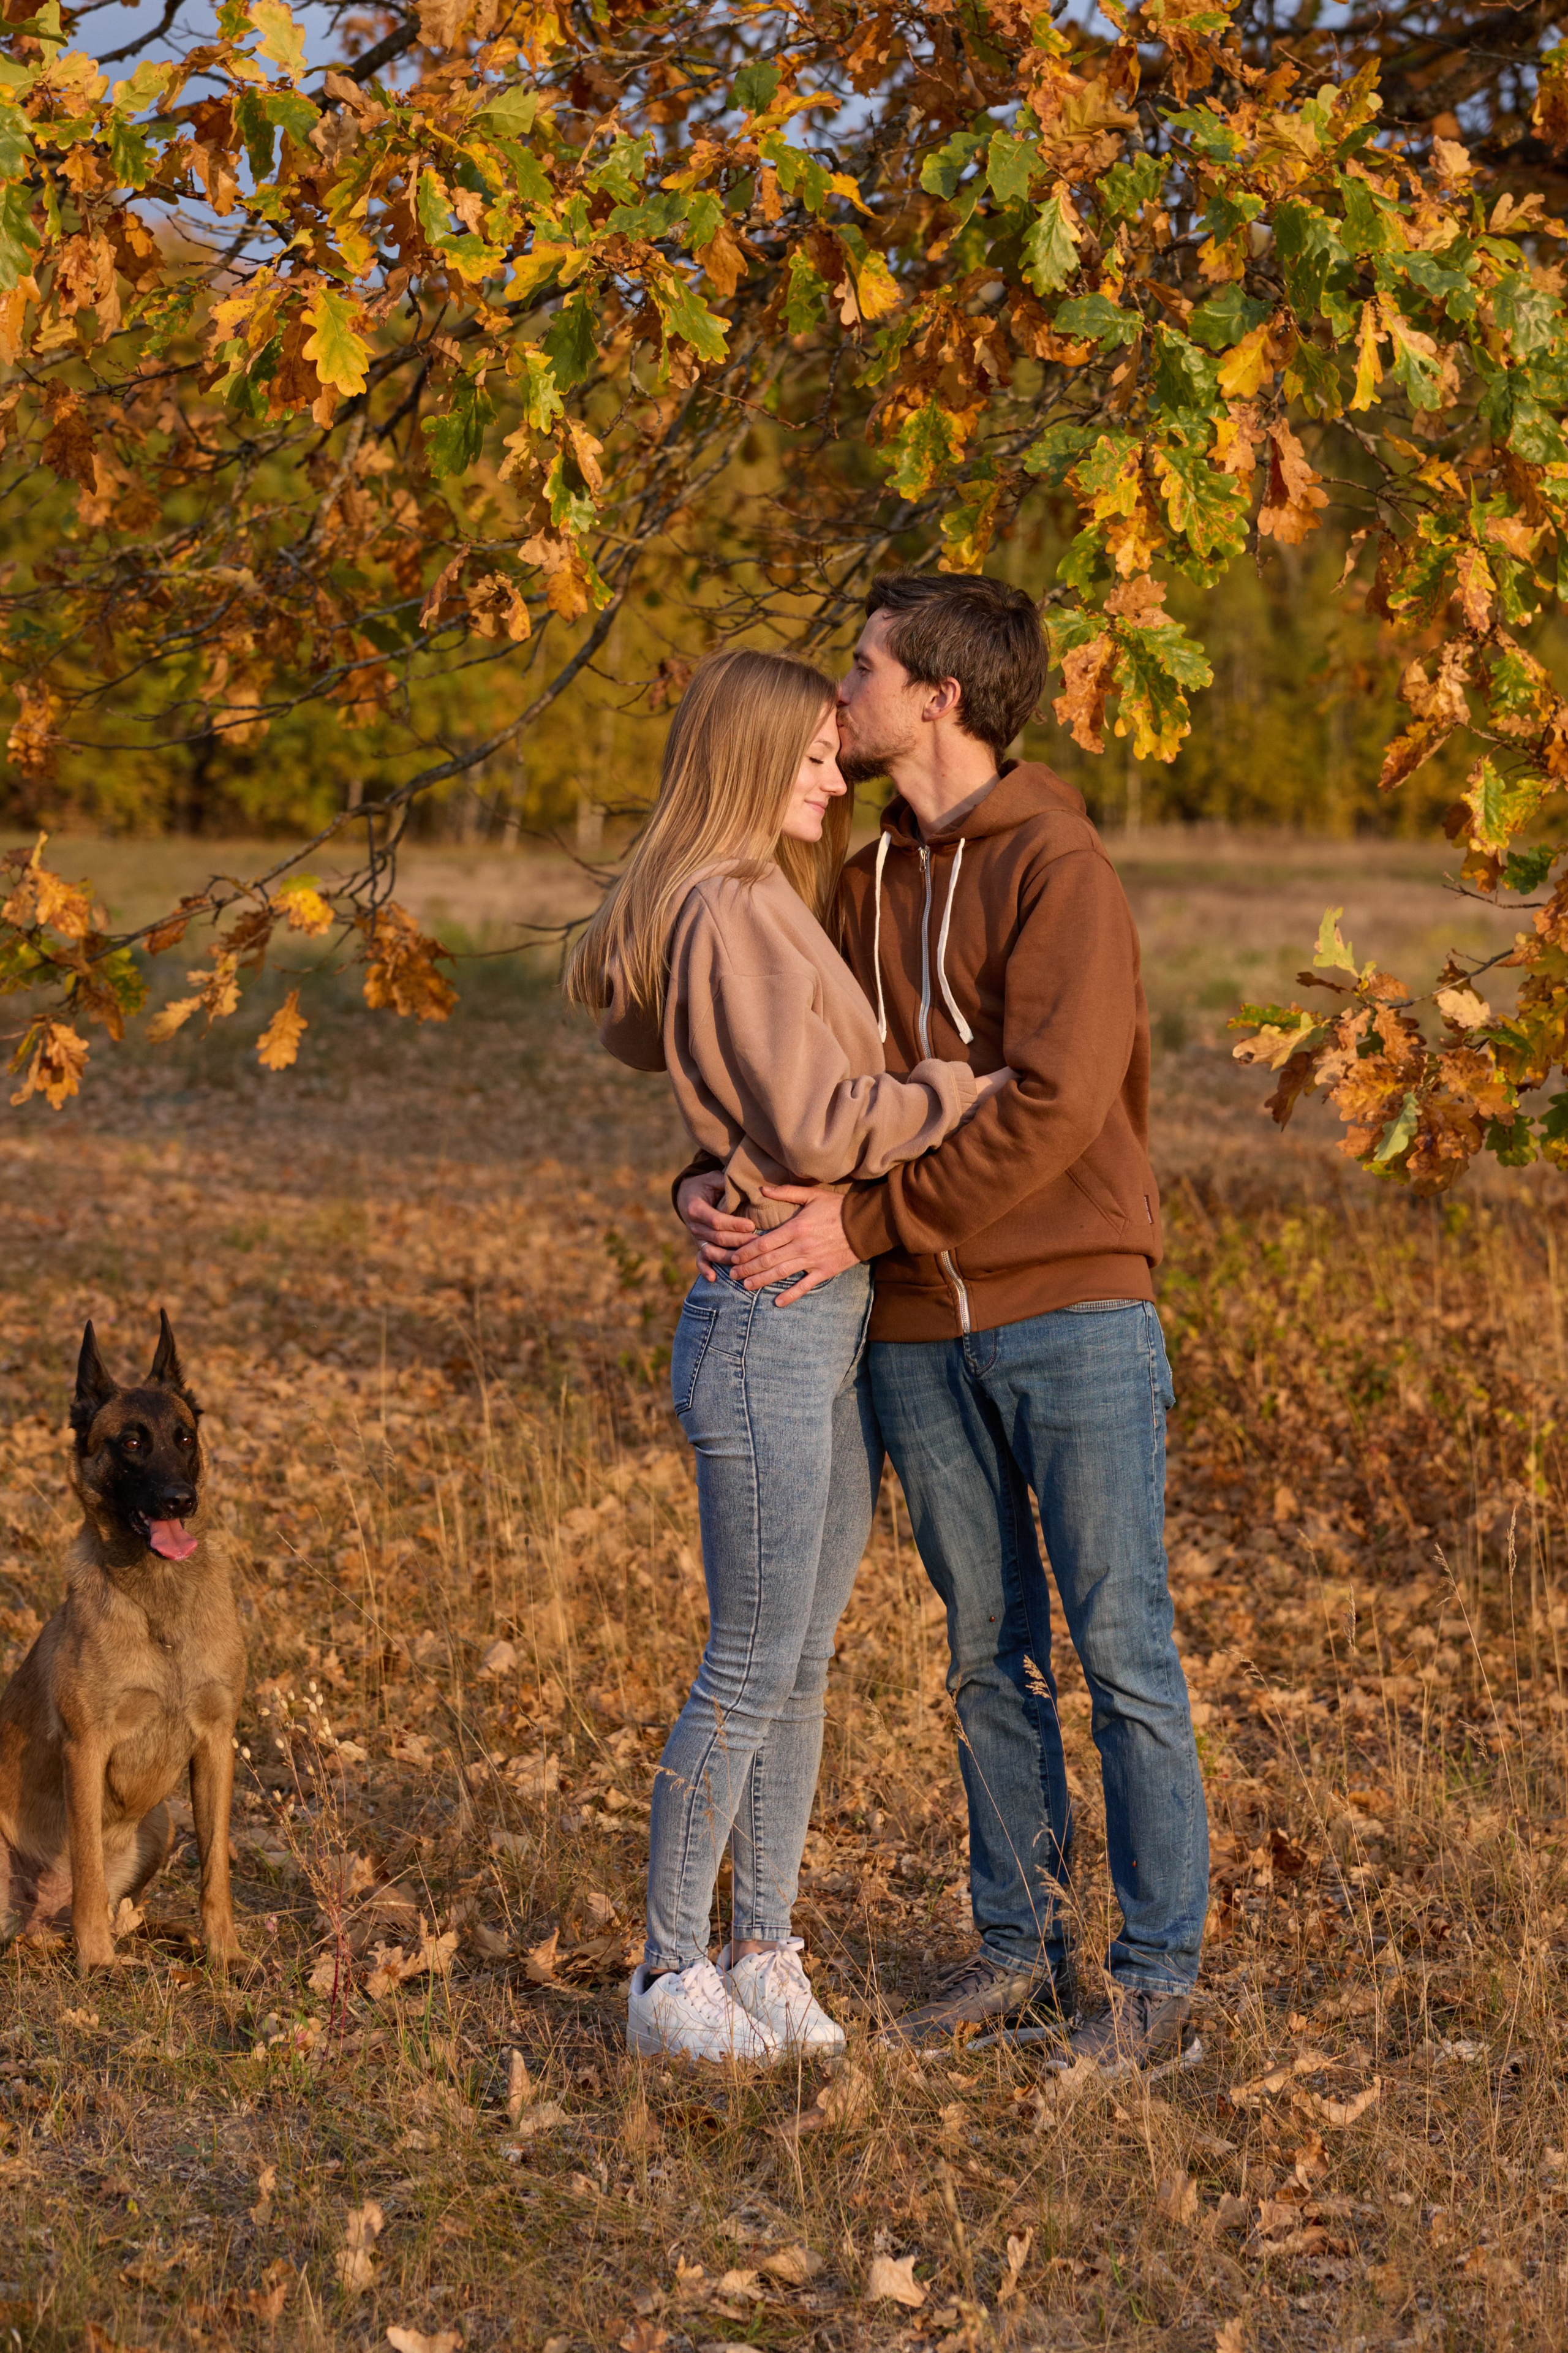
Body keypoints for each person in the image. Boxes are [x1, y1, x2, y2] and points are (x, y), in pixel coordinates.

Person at [677, 573, 1209, 2074]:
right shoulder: (857, 879)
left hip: (1072, 1305)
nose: (839, 692)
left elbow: (1050, 1104)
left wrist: (859, 1223)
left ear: (938, 697)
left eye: (863, 667)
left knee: (1120, 1651)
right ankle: (1017, 1952)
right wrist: (701, 1182)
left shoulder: (1057, 865)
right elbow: (775, 1065)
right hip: (914, 1328)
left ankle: (1153, 1981)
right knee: (984, 1653)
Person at [564, 646, 1011, 2066]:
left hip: (816, 1319)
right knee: (750, 1660)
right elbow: (818, 1125)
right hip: (764, 1325)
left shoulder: (747, 897)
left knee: (799, 1659)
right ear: (752, 760)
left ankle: (762, 1948)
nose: (834, 778)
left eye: (833, 754)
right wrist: (962, 1088)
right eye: (812, 758)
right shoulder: (730, 900)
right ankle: (666, 1972)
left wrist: (711, 1170)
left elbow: (734, 1097)